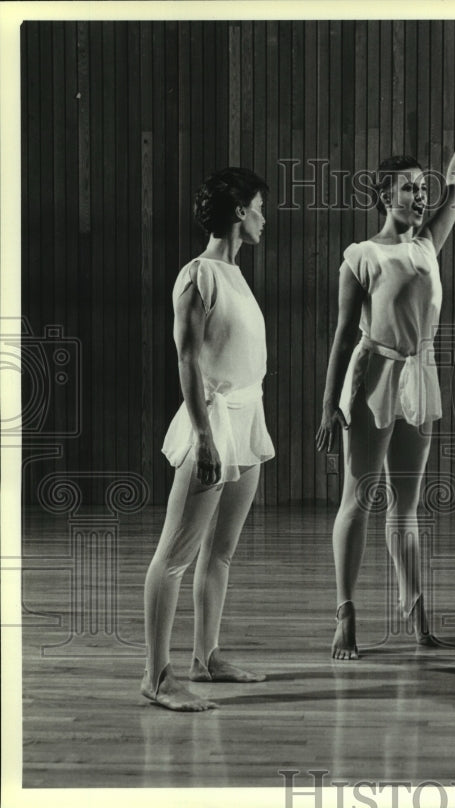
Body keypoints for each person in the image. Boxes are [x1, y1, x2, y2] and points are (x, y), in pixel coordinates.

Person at [315, 66, 455, 660]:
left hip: (421, 375)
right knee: (359, 497)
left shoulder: (427, 243)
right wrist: (327, 406)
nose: (420, 195)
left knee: (408, 507)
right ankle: (345, 612)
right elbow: (342, 337)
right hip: (372, 379)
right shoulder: (361, 255)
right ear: (385, 196)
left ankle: (414, 613)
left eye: (421, 187)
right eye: (409, 188)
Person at [141, 167, 274, 711]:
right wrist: (204, 437)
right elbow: (189, 360)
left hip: (248, 417)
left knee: (220, 553)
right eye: (260, 207)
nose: (266, 217)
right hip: (214, 423)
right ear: (240, 211)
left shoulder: (236, 273)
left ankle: (205, 657)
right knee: (175, 555)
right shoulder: (198, 274)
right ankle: (156, 677)